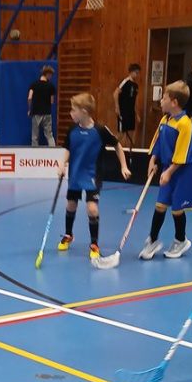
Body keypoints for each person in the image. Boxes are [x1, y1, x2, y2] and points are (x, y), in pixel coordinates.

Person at [57, 92, 130, 260]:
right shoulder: (72, 130)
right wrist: (62, 164)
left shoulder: (100, 130)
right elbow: (67, 148)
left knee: (92, 208)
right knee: (71, 205)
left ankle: (94, 243)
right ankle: (68, 234)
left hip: (92, 175)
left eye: (73, 110)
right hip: (75, 174)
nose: (71, 113)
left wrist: (124, 166)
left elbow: (117, 145)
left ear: (84, 111)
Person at [139, 81, 192, 260]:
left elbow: (182, 153)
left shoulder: (185, 123)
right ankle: (153, 240)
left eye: (164, 98)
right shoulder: (165, 120)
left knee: (177, 208)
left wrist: (168, 172)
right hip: (169, 167)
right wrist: (153, 160)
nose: (161, 101)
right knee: (160, 204)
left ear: (174, 102)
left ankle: (181, 240)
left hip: (185, 170)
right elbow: (158, 142)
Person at [113, 62, 140, 154]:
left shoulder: (135, 86)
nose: (137, 75)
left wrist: (137, 114)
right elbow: (115, 93)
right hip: (123, 111)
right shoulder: (125, 82)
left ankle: (129, 153)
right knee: (121, 133)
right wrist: (117, 107)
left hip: (131, 112)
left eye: (138, 73)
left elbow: (134, 101)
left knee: (130, 133)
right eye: (136, 72)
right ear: (131, 72)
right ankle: (112, 148)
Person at [27, 64, 56, 147]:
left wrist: (29, 109)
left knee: (35, 136)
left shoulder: (34, 84)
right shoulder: (51, 86)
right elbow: (52, 101)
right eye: (51, 75)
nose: (51, 77)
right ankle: (53, 151)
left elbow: (29, 97)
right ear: (48, 74)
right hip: (47, 112)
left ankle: (34, 153)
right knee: (49, 135)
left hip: (36, 112)